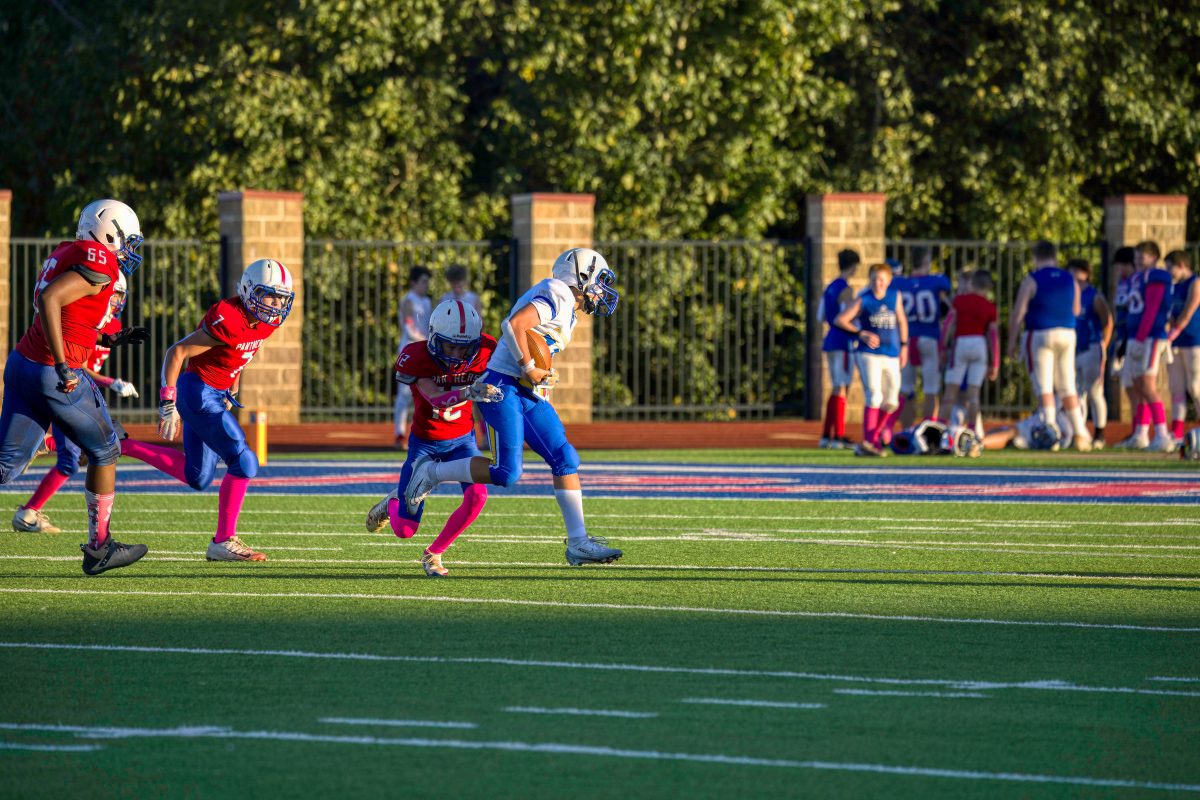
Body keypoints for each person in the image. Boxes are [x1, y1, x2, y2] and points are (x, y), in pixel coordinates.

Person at [404, 247, 623, 566]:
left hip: (525, 389)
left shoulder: (567, 306)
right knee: (507, 473)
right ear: (582, 276)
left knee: (564, 457)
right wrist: (529, 366)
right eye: (599, 280)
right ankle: (432, 472)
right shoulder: (559, 292)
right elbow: (514, 324)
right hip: (502, 387)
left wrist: (541, 375)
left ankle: (578, 543)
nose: (602, 290)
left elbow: (535, 343)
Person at [0, 199, 149, 575]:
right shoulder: (100, 259)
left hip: (23, 363)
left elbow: (71, 313)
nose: (129, 250)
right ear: (109, 233)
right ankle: (101, 548)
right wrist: (64, 363)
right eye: (127, 240)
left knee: (5, 466)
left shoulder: (66, 250)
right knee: (106, 449)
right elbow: (51, 299)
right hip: (53, 371)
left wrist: (108, 337)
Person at [118, 259, 295, 561]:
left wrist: (231, 390)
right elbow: (177, 352)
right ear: (249, 291)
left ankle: (121, 445)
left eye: (281, 298)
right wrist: (168, 402)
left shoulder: (265, 322)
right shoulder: (229, 318)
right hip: (198, 392)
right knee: (244, 461)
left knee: (198, 476)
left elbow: (241, 355)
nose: (276, 304)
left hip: (214, 394)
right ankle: (223, 541)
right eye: (269, 296)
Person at [365, 299, 502, 576]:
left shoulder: (486, 349)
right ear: (433, 338)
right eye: (450, 346)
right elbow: (436, 398)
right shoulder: (416, 356)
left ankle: (434, 553)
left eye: (464, 348)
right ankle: (392, 502)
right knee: (404, 530)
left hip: (462, 441)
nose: (457, 354)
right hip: (425, 445)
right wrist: (467, 392)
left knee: (478, 496)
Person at [12, 272, 141, 532]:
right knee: (78, 455)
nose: (116, 300)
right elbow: (77, 364)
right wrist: (110, 382)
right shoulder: (85, 317)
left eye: (119, 295)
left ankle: (29, 510)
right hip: (65, 387)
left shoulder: (113, 325)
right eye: (113, 294)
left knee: (75, 459)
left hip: (77, 390)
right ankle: (32, 501)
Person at [1006, 240, 1091, 451]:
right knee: (1067, 385)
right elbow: (1076, 310)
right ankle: (1081, 434)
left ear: (1036, 257)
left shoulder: (1032, 279)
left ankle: (1050, 432)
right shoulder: (1070, 279)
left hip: (1040, 332)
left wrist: (1011, 342)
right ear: (1055, 256)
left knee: (1044, 385)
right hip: (1068, 333)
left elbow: (1018, 313)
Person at [834, 262, 909, 457]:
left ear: (889, 281)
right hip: (869, 354)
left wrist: (904, 346)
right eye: (875, 279)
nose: (878, 283)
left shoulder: (894, 296)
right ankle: (870, 441)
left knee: (892, 400)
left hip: (891, 353)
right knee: (874, 395)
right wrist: (861, 333)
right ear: (870, 280)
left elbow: (901, 321)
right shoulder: (864, 299)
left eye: (882, 280)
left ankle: (873, 438)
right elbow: (841, 319)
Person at [1114, 241, 1173, 451]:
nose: (1139, 259)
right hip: (1136, 335)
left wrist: (1140, 337)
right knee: (1137, 385)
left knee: (1147, 385)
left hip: (1150, 336)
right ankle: (1141, 433)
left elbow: (1152, 308)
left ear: (1154, 257)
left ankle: (1163, 434)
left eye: (1143, 256)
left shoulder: (1156, 276)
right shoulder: (1136, 277)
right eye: (1137, 256)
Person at [938, 270, 998, 451]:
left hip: (961, 344)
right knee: (973, 396)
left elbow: (949, 324)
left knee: (950, 393)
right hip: (980, 346)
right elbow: (993, 336)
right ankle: (972, 435)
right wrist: (995, 363)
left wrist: (942, 347)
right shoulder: (990, 306)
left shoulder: (960, 301)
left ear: (972, 284)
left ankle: (940, 432)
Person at [896, 246, 951, 428]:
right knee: (931, 389)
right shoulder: (937, 281)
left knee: (906, 389)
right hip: (929, 338)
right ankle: (929, 431)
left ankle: (906, 429)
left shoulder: (900, 283)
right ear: (927, 262)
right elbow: (945, 298)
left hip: (907, 339)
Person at [816, 249, 859, 449]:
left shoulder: (829, 287)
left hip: (830, 340)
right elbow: (849, 317)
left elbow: (820, 316)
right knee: (842, 387)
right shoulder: (846, 289)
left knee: (836, 387)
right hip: (843, 341)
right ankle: (838, 437)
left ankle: (827, 435)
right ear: (853, 266)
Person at [1069, 258, 1113, 448]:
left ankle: (1099, 434)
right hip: (1073, 349)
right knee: (1076, 393)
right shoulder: (1069, 294)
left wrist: (1103, 344)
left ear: (1086, 274)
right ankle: (1080, 433)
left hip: (1091, 347)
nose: (1073, 275)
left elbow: (1107, 321)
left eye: (1077, 271)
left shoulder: (1094, 295)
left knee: (1095, 392)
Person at [394, 266, 433, 450]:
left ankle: (424, 433)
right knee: (404, 395)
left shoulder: (426, 301)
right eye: (423, 282)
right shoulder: (408, 301)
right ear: (413, 283)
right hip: (410, 351)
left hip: (425, 351)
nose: (426, 285)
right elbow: (409, 329)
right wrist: (427, 341)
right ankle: (399, 434)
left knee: (427, 393)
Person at [1166, 250, 1200, 445]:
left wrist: (1174, 332)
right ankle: (1176, 433)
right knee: (1176, 388)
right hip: (1176, 342)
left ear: (1181, 265)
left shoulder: (1195, 282)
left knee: (1195, 387)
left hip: (1194, 340)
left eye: (1170, 267)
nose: (1168, 272)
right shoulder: (1174, 286)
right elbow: (1172, 311)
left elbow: (1188, 310)